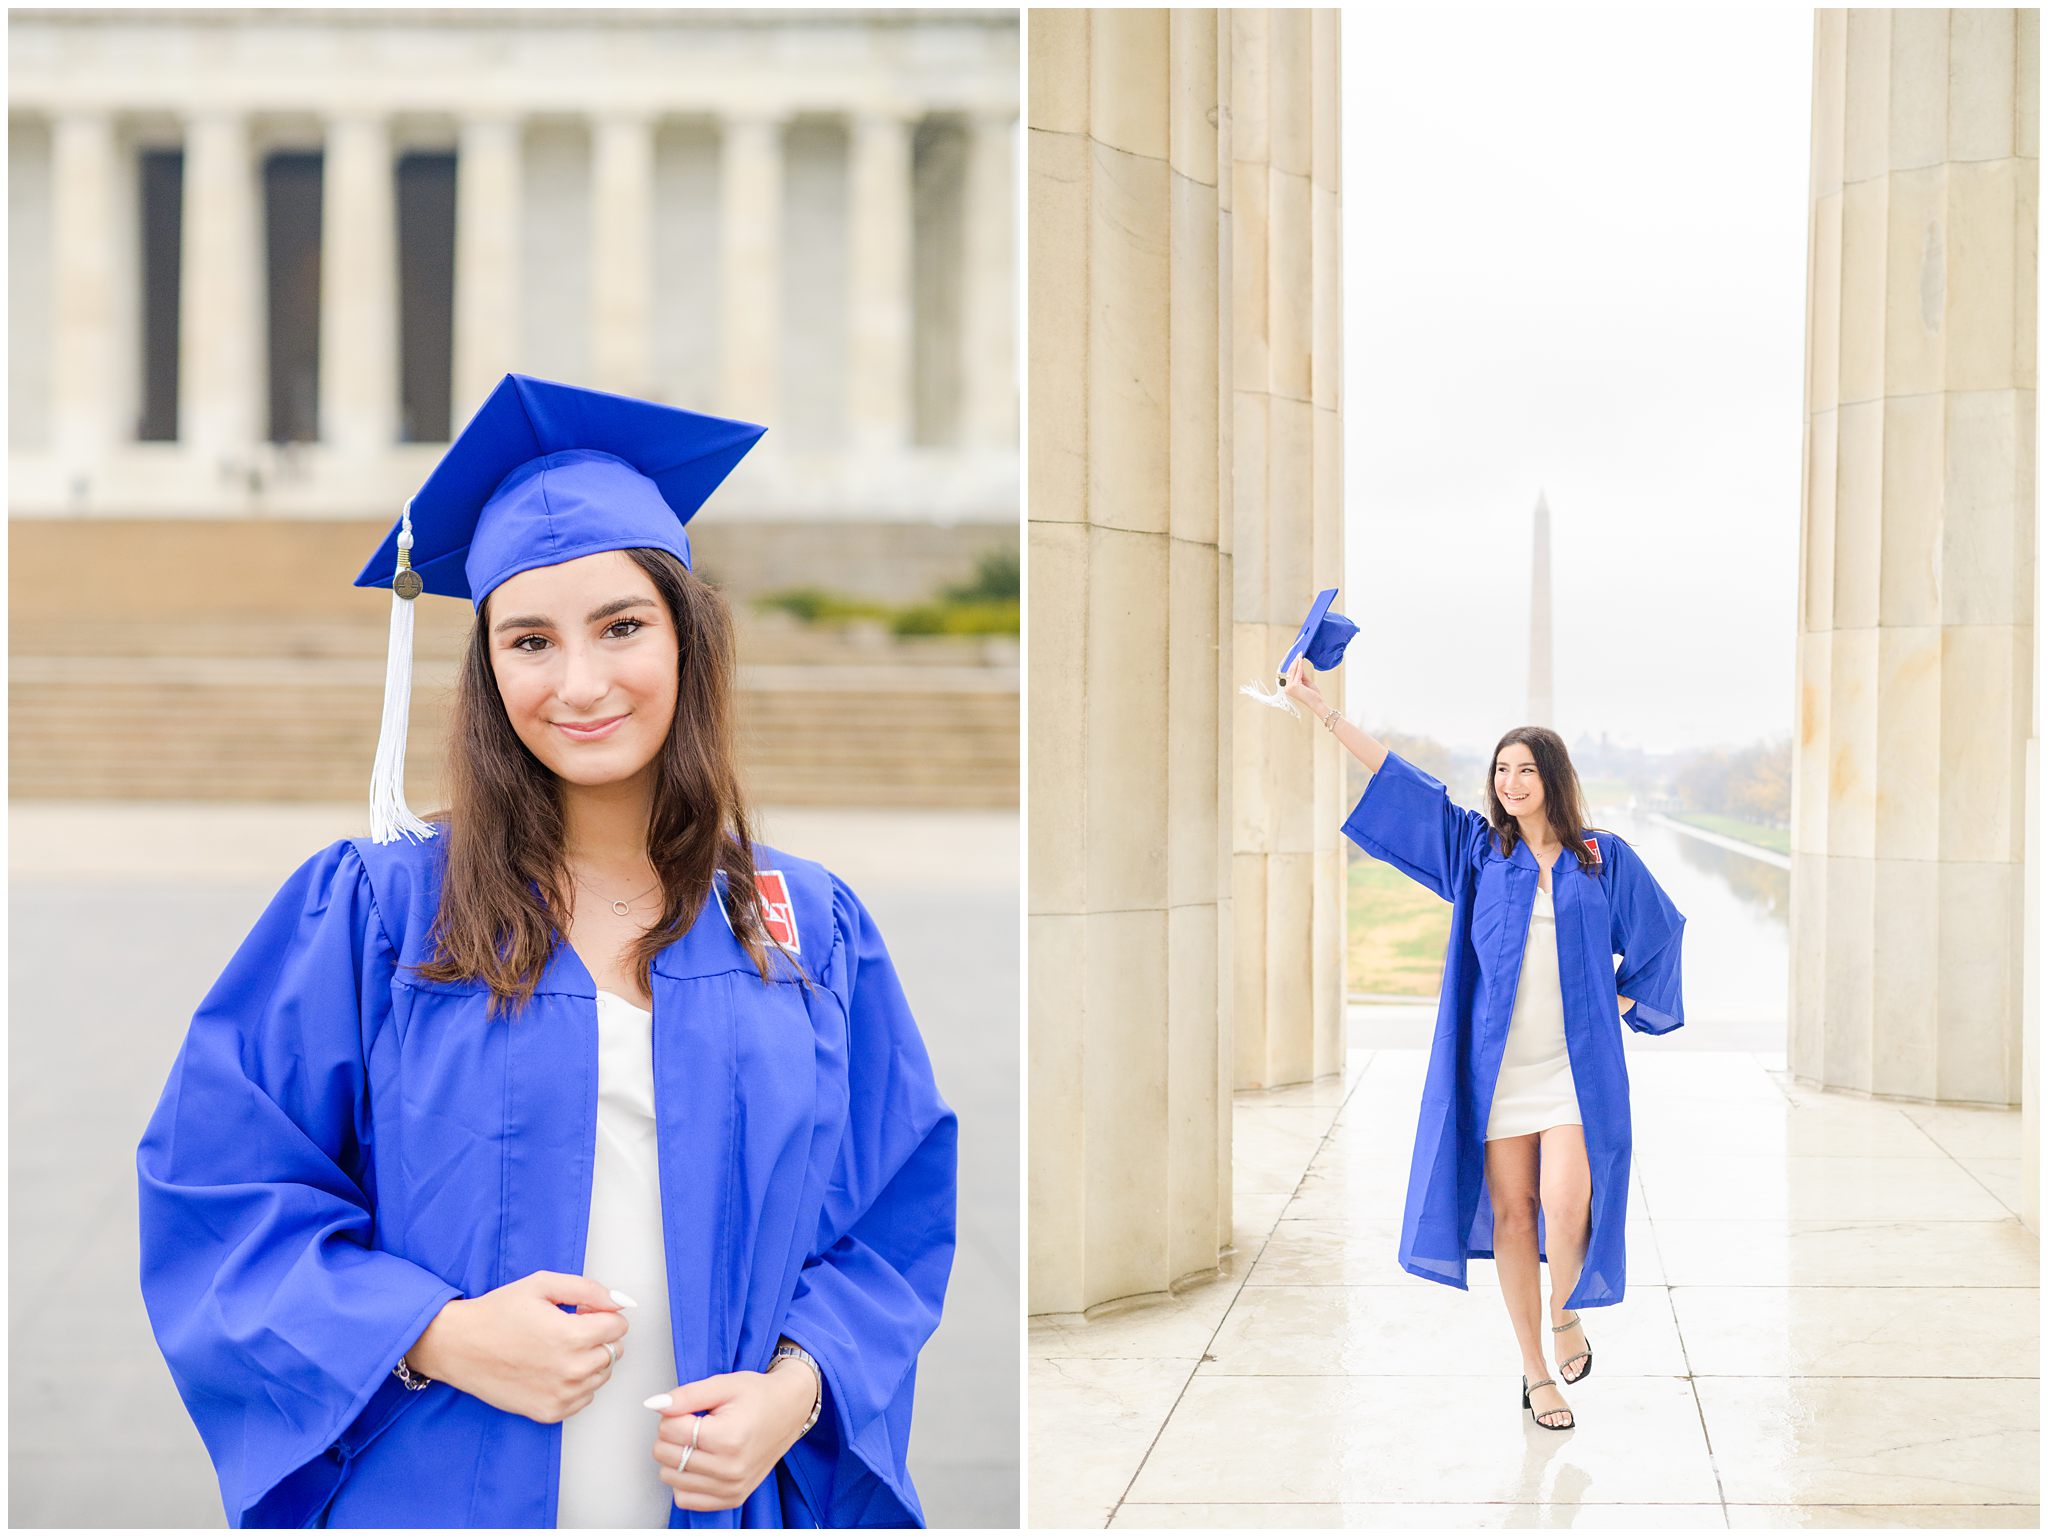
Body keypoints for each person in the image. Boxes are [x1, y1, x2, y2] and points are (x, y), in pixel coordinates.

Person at [137, 374, 959, 1527]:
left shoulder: (802, 926)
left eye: (621, 626)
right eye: (530, 639)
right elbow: (219, 1189)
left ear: (686, 637)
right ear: (488, 669)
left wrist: (796, 1391)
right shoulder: (377, 912)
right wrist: (437, 1334)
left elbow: (890, 1216)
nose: (579, 684)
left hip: (715, 1501)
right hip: (440, 1490)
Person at [1282, 657, 1685, 1433]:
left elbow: (1660, 937)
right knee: (1513, 1214)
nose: (1510, 781)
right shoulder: (1479, 853)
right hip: (1500, 1072)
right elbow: (1406, 785)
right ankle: (1536, 1372)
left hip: (1572, 1067)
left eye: (1526, 769)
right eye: (1502, 769)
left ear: (1554, 778)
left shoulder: (1603, 860)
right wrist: (1326, 714)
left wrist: (1616, 1002)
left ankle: (1565, 1317)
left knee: (1570, 1203)